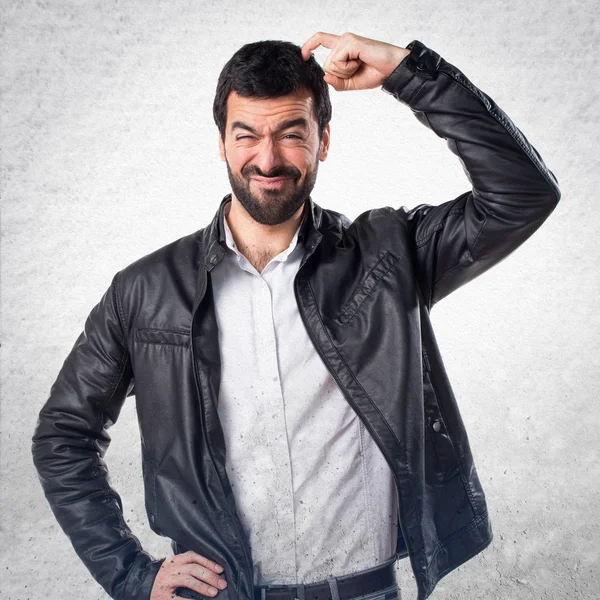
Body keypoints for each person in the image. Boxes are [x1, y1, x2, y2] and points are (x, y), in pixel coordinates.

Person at [31, 31, 560, 600]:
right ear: (221, 143)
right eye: (247, 135)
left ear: (323, 140)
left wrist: (409, 72)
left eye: (291, 133)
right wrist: (132, 576)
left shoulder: (388, 259)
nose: (268, 158)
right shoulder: (145, 291)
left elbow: (522, 194)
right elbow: (64, 435)